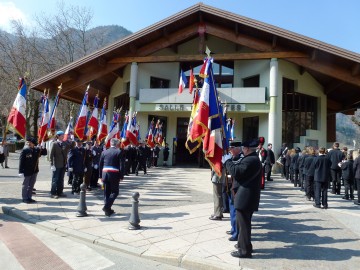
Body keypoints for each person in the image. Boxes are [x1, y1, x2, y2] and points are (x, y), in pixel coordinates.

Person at [222, 138, 262, 259]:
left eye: (243, 148)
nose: (242, 150)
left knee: (243, 225)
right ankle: (244, 245)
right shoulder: (252, 159)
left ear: (248, 149)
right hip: (247, 197)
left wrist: (227, 161)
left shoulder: (250, 160)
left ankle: (244, 251)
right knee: (244, 224)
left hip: (245, 197)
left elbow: (236, 171)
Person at [99, 138, 124, 216]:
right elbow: (121, 166)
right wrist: (121, 176)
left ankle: (108, 210)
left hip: (105, 174)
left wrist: (100, 175)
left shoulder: (104, 152)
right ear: (116, 144)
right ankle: (106, 207)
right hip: (114, 174)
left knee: (106, 192)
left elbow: (100, 164)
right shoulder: (119, 152)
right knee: (115, 192)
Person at [225, 140, 244, 242]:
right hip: (231, 187)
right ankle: (233, 229)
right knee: (232, 211)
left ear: (237, 149)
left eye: (231, 149)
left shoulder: (241, 159)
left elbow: (235, 171)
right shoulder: (234, 158)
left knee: (235, 212)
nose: (230, 150)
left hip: (237, 188)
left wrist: (228, 162)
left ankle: (237, 233)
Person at [19, 137, 47, 203]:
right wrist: (20, 171)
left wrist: (43, 146)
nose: (29, 143)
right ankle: (25, 198)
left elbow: (44, 153)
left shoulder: (36, 149)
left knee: (31, 185)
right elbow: (21, 161)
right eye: (28, 142)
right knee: (25, 185)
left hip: (34, 170)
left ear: (33, 144)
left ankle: (29, 197)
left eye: (30, 142)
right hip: (27, 170)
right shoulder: (25, 150)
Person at [49, 130, 70, 198]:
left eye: (63, 135)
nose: (63, 136)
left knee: (61, 179)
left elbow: (70, 147)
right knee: (55, 179)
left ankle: (60, 192)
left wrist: (72, 140)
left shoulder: (64, 143)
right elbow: (51, 155)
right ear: (58, 136)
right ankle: (53, 193)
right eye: (61, 135)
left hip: (63, 164)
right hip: (56, 165)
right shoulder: (54, 144)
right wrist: (51, 164)